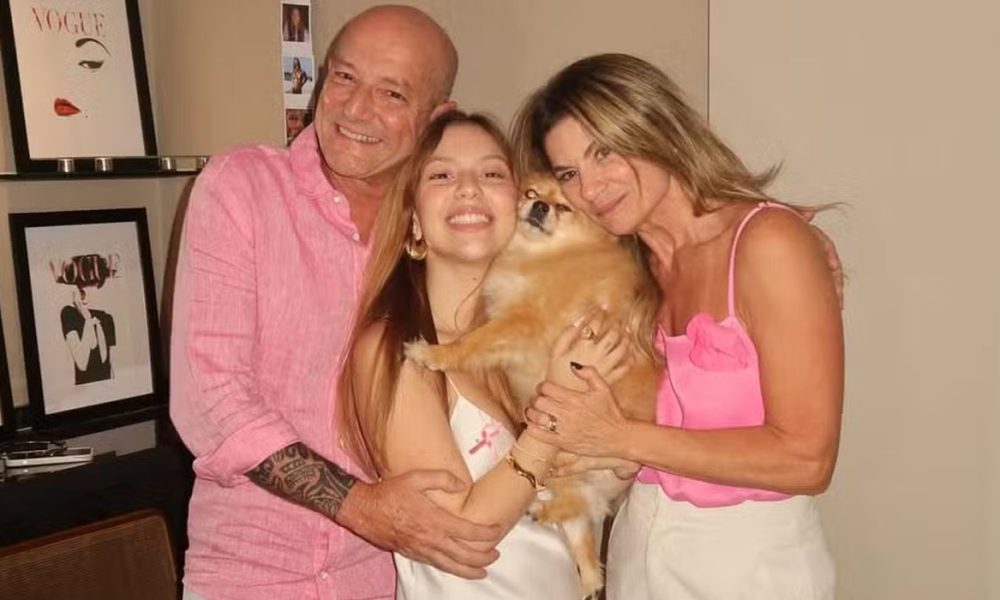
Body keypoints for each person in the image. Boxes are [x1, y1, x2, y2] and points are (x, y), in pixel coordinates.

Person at [170, 7, 506, 600]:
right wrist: (359, 506)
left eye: (392, 94)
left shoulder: (442, 227)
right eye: (344, 77)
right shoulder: (241, 187)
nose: (355, 109)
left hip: (395, 579)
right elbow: (211, 399)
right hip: (251, 577)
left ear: (437, 116)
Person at [516, 53, 843, 599]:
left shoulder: (766, 243)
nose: (591, 188)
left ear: (657, 127)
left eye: (605, 152)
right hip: (637, 553)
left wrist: (619, 437)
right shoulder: (620, 271)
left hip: (753, 569)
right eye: (569, 174)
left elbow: (808, 460)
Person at [338, 110, 625, 599]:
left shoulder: (541, 344)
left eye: (492, 174)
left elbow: (579, 503)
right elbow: (464, 534)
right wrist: (553, 414)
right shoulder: (397, 349)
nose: (469, 188)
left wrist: (621, 459)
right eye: (442, 175)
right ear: (414, 224)